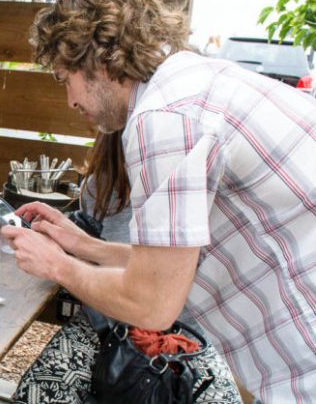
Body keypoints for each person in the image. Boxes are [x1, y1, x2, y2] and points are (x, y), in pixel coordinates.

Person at [2, 0, 316, 402]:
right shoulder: (191, 81)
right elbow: (165, 270)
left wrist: (57, 264)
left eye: (65, 79)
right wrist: (82, 245)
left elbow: (152, 303)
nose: (70, 101)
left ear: (97, 58)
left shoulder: (164, 117)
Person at [13, 132, 242, 403]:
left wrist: (62, 262)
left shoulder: (198, 190)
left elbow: (180, 279)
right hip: (105, 327)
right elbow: (102, 273)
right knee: (37, 393)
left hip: (185, 338)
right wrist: (72, 246)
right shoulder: (100, 186)